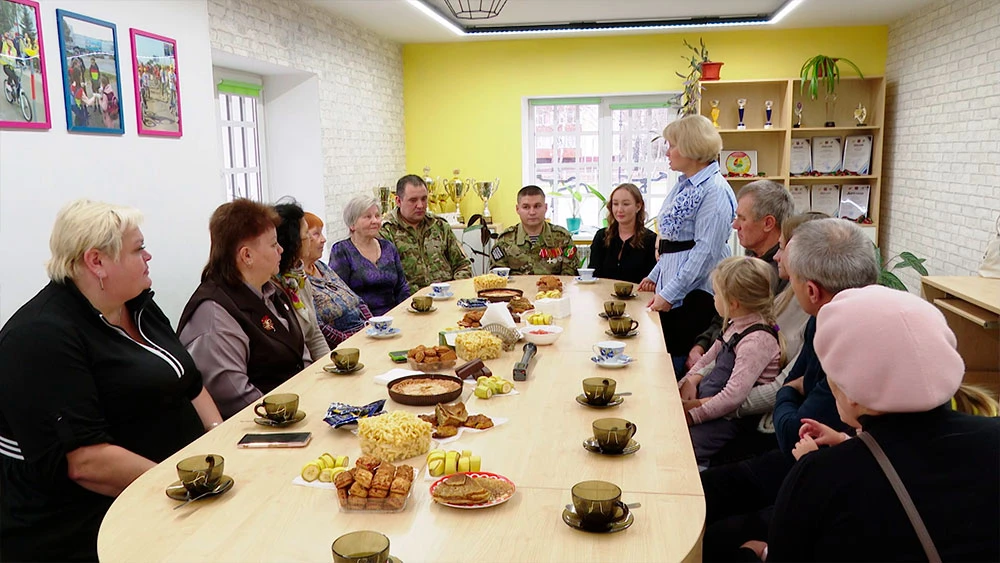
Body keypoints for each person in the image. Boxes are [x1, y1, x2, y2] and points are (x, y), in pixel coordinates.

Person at [0, 200, 221, 562]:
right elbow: (86, 461)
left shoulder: (138, 306)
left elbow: (190, 383)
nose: (148, 256)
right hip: (85, 523)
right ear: (96, 261)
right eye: (138, 249)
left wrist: (219, 441)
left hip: (172, 487)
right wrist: (189, 487)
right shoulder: (41, 336)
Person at [743, 286, 1000, 562]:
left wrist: (759, 553)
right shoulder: (991, 435)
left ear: (852, 394)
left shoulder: (820, 476)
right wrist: (848, 444)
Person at [699, 218, 879, 562]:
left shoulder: (844, 336)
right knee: (701, 493)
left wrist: (788, 396)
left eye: (786, 260)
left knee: (718, 534)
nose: (778, 261)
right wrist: (791, 394)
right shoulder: (821, 321)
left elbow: (796, 429)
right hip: (812, 459)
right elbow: (794, 387)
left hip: (816, 469)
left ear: (811, 291)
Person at [694, 212, 827, 465]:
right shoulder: (787, 294)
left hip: (754, 423)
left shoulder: (812, 312)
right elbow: (731, 341)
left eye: (782, 247)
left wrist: (706, 406)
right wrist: (697, 377)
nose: (776, 256)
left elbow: (781, 386)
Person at [178, 199, 309, 420]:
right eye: (273, 244)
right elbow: (237, 398)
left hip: (297, 409)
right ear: (246, 255)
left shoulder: (270, 289)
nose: (281, 250)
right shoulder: (213, 314)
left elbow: (300, 352)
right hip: (261, 428)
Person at [637, 115, 737, 376]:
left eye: (672, 145)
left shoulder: (713, 190)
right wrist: (654, 276)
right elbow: (672, 243)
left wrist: (670, 293)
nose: (667, 152)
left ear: (692, 148)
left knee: (678, 365)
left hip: (694, 294)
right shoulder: (684, 185)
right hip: (675, 288)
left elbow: (705, 252)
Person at [678, 256, 783, 468]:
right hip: (709, 406)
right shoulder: (736, 325)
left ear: (733, 303)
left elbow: (733, 397)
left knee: (682, 449)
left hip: (726, 422)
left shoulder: (756, 340)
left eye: (716, 294)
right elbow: (709, 357)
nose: (713, 299)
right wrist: (689, 381)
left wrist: (693, 414)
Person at [686, 180, 794, 371]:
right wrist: (701, 344)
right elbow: (727, 312)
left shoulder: (775, 272)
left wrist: (702, 368)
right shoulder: (753, 258)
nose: (735, 225)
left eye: (742, 218)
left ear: (768, 223)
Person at [379, 174, 472, 292]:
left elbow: (463, 264)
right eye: (413, 200)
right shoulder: (386, 231)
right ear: (398, 201)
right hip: (411, 301)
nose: (420, 205)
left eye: (424, 199)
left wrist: (454, 290)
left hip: (447, 296)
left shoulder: (439, 226)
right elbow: (388, 278)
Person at [329, 195, 409, 316]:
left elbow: (401, 287)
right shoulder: (342, 251)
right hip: (361, 322)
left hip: (395, 317)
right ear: (352, 224)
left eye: (377, 216)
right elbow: (340, 296)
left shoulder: (388, 247)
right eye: (367, 217)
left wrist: (405, 313)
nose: (375, 221)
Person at [302, 211, 372, 347]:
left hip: (365, 334)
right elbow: (319, 327)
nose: (323, 239)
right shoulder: (300, 280)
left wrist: (373, 325)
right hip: (345, 346)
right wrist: (351, 340)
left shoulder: (320, 267)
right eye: (316, 234)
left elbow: (357, 300)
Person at [273, 201, 331, 361]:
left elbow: (314, 335)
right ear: (293, 242)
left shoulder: (298, 279)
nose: (311, 240)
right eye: (307, 235)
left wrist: (330, 366)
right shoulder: (271, 287)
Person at [492, 185, 578, 276]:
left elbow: (571, 276)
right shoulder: (504, 240)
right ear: (517, 209)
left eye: (537, 206)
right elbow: (498, 277)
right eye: (526, 207)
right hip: (515, 289)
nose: (532, 212)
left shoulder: (562, 238)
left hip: (554, 289)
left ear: (545, 208)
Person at [587, 183, 657, 283]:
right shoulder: (601, 236)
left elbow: (652, 279)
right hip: (603, 295)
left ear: (638, 206)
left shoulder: (651, 239)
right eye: (615, 204)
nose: (619, 210)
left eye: (626, 204)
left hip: (638, 297)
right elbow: (593, 274)